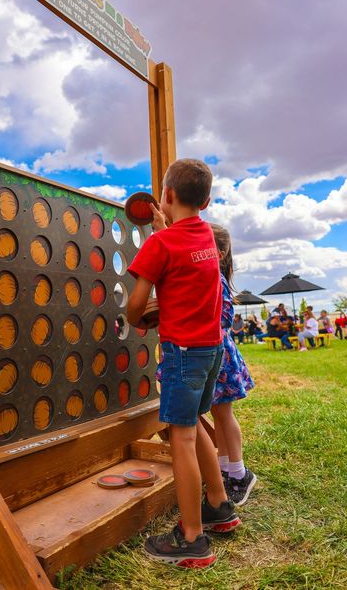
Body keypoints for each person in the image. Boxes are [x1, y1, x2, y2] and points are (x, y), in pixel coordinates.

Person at [126, 159, 240, 568]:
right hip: (211, 352)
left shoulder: (160, 245)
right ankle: (219, 505)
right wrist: (167, 229)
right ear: (206, 201)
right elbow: (185, 253)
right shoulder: (207, 238)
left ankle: (192, 538)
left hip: (182, 353)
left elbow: (136, 304)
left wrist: (138, 319)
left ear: (167, 196)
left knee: (182, 438)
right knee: (194, 427)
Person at [209, 224, 256, 506]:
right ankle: (226, 468)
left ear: (221, 252)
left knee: (224, 414)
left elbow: (225, 318)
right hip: (214, 352)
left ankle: (240, 474)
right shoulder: (209, 274)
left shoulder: (216, 278)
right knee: (217, 412)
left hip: (221, 353)